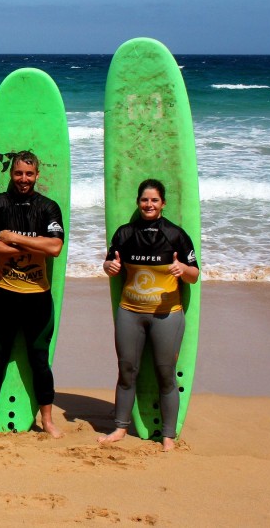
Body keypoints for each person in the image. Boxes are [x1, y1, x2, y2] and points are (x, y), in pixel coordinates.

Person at [0, 150, 65, 438]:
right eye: (18, 173)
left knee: (39, 358)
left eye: (29, 174)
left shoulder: (48, 207)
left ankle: (47, 420)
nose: (23, 179)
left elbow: (55, 248)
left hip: (37, 297)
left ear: (37, 175)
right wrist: (31, 246)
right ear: (11, 173)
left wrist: (13, 238)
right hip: (4, 295)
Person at [99, 178, 199, 452]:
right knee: (127, 371)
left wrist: (182, 269)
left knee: (165, 374)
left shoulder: (176, 235)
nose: (149, 204)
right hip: (130, 312)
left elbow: (195, 275)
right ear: (138, 202)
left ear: (163, 204)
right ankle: (120, 428)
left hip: (166, 315)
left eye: (154, 200)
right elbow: (110, 263)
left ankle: (168, 435)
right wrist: (109, 266)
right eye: (144, 200)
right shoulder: (124, 234)